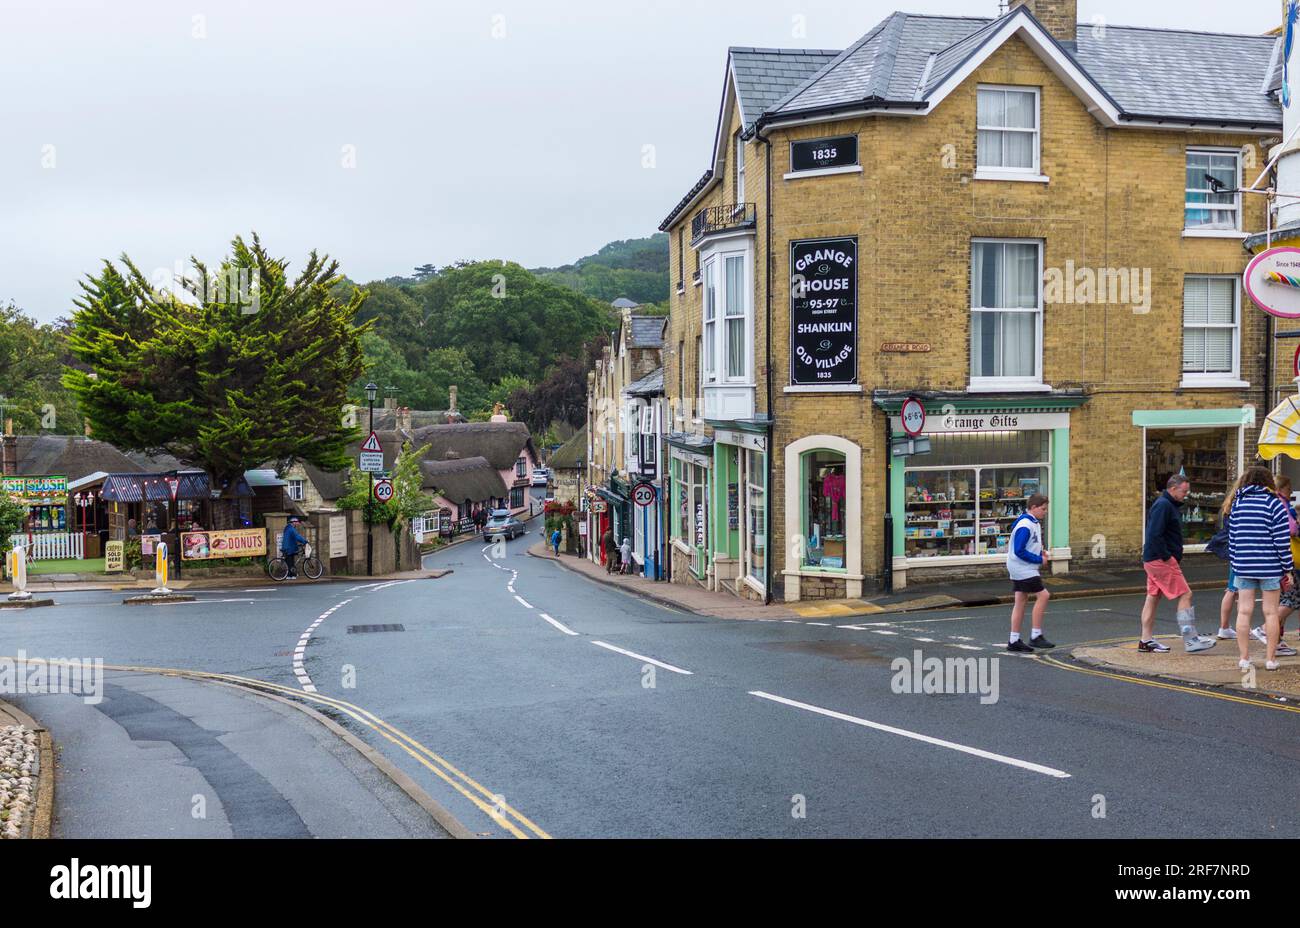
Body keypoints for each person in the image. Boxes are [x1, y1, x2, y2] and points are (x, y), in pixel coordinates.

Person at [1138, 474, 1216, 653]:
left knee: (1153, 597)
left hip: (1153, 559)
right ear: (1173, 489)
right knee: (1185, 595)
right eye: (1184, 491)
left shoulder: (1166, 505)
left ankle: (1146, 640)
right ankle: (1190, 640)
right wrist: (1167, 557)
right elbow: (1154, 534)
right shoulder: (1163, 505)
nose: (1186, 495)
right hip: (1160, 559)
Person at [1230, 466, 1294, 672]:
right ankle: (1270, 659)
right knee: (1271, 613)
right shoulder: (1274, 504)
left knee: (1243, 611)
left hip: (1243, 565)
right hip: (1269, 566)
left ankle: (1244, 658)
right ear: (1268, 482)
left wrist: (1235, 562)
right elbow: (1281, 541)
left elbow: (1233, 539)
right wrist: (1288, 568)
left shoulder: (1238, 503)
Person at [1250, 474, 1300, 656]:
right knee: (1293, 599)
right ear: (1280, 489)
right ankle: (1264, 630)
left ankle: (1276, 641)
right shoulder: (1280, 504)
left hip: (1275, 560)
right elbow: (1291, 530)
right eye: (1289, 488)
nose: (1291, 491)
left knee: (1281, 600)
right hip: (1287, 559)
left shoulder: (1269, 503)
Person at [1005, 494, 1053, 653]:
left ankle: (1014, 640)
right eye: (1043, 509)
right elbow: (1019, 550)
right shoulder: (1026, 524)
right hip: (1023, 567)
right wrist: (1038, 559)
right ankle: (1035, 636)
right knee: (1043, 595)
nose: (1045, 512)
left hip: (1020, 566)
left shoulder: (1033, 522)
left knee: (1021, 600)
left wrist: (1041, 551)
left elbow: (1030, 544)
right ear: (1033, 507)